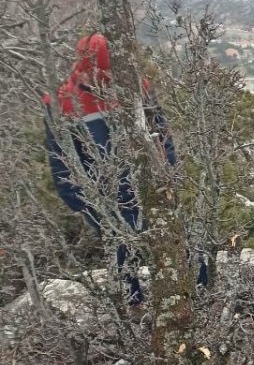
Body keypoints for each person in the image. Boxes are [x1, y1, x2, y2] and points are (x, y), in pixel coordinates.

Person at [47, 33, 178, 305]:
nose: (106, 84)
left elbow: (162, 134)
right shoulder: (61, 104)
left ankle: (186, 301)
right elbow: (61, 163)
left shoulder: (136, 88)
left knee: (176, 247)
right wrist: (84, 206)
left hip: (148, 188)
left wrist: (171, 174)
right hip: (106, 200)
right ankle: (134, 308)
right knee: (122, 254)